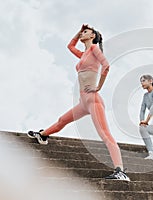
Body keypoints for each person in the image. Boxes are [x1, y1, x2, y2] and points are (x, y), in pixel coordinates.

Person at [27, 24, 130, 181]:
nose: (82, 34)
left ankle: (120, 172)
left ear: (93, 36)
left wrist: (98, 87)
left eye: (85, 32)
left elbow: (106, 66)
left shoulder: (95, 49)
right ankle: (42, 136)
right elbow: (70, 46)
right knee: (62, 120)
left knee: (105, 134)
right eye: (82, 32)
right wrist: (79, 32)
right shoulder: (83, 54)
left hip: (93, 99)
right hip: (83, 102)